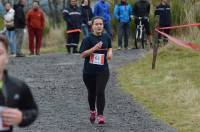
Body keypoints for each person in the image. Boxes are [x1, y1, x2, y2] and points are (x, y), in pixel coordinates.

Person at [0, 34, 38, 132]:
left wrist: (21, 117)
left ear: (7, 57)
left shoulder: (18, 86)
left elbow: (32, 110)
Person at [80, 16, 112, 124]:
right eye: (96, 24)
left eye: (101, 24)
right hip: (89, 72)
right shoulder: (87, 39)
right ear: (92, 26)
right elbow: (83, 54)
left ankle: (100, 115)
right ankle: (93, 110)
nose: (99, 26)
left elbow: (110, 46)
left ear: (103, 26)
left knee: (100, 92)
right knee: (92, 93)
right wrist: (94, 49)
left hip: (103, 70)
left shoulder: (106, 36)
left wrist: (110, 52)